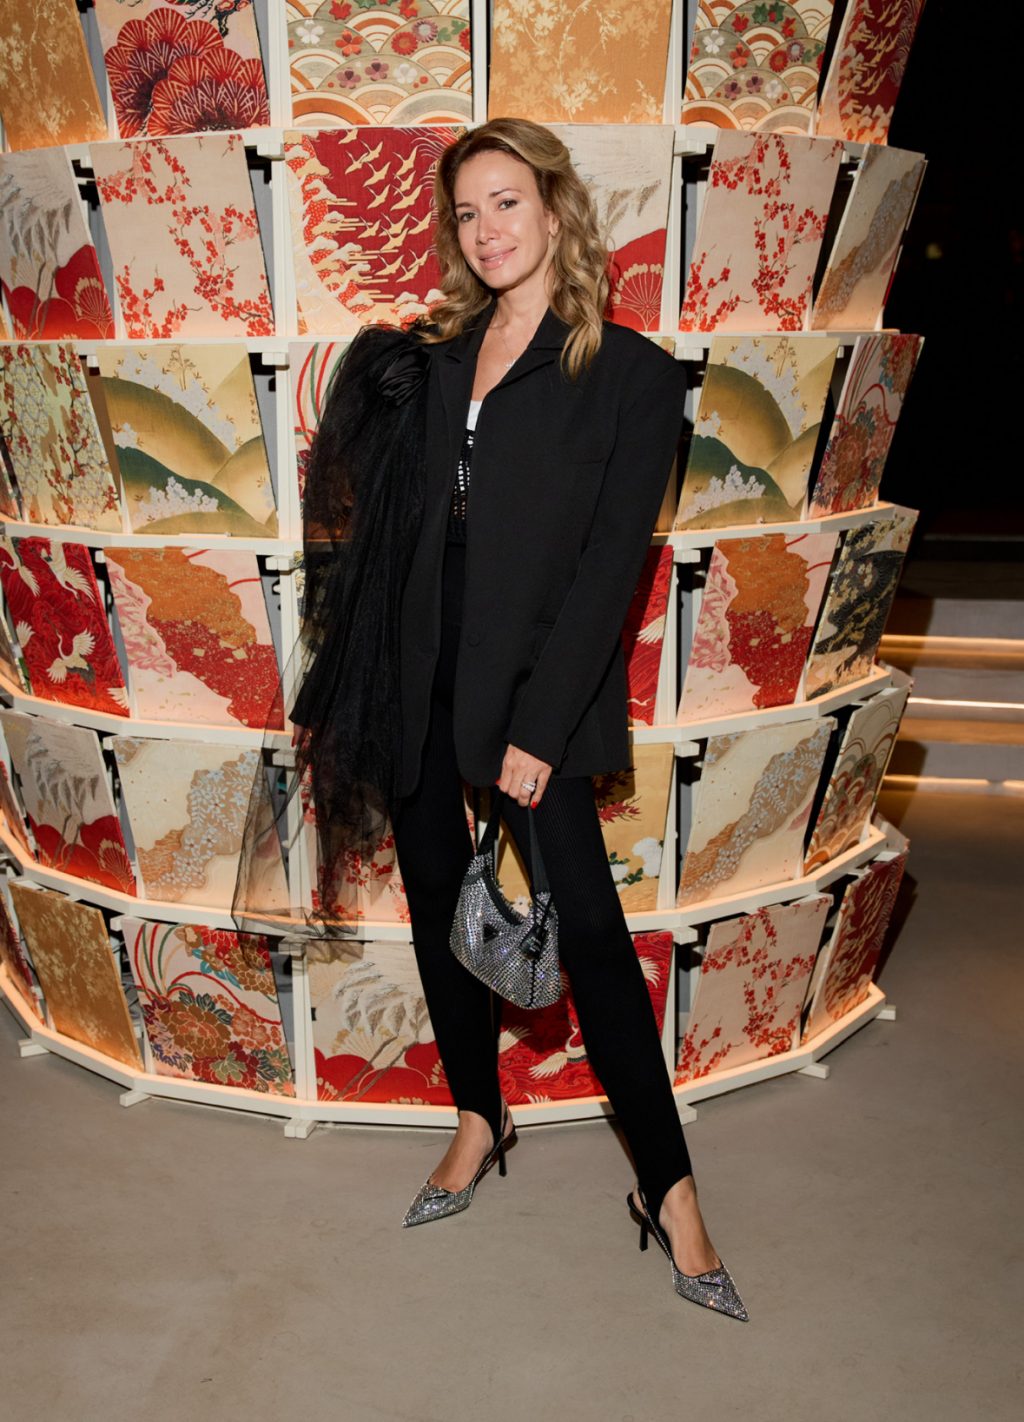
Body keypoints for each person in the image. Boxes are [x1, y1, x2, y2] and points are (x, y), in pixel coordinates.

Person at [302, 119, 747, 1321]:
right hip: (416, 675)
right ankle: (475, 1114)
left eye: (506, 202)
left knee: (588, 934)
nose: (486, 230)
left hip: (532, 698)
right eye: (466, 212)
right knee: (440, 906)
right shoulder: (435, 361)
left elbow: (609, 572)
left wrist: (540, 731)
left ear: (555, 207)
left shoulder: (633, 375)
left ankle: (668, 1189)